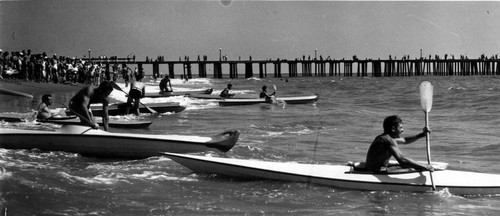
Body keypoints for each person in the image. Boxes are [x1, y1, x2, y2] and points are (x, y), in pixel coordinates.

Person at [364, 115, 434, 173]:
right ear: (393, 129)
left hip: (376, 168)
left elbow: (405, 140)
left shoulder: (384, 137)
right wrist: (425, 166)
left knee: (411, 166)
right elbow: (402, 160)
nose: (402, 130)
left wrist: (422, 134)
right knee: (411, 168)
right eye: (400, 128)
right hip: (375, 171)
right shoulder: (388, 140)